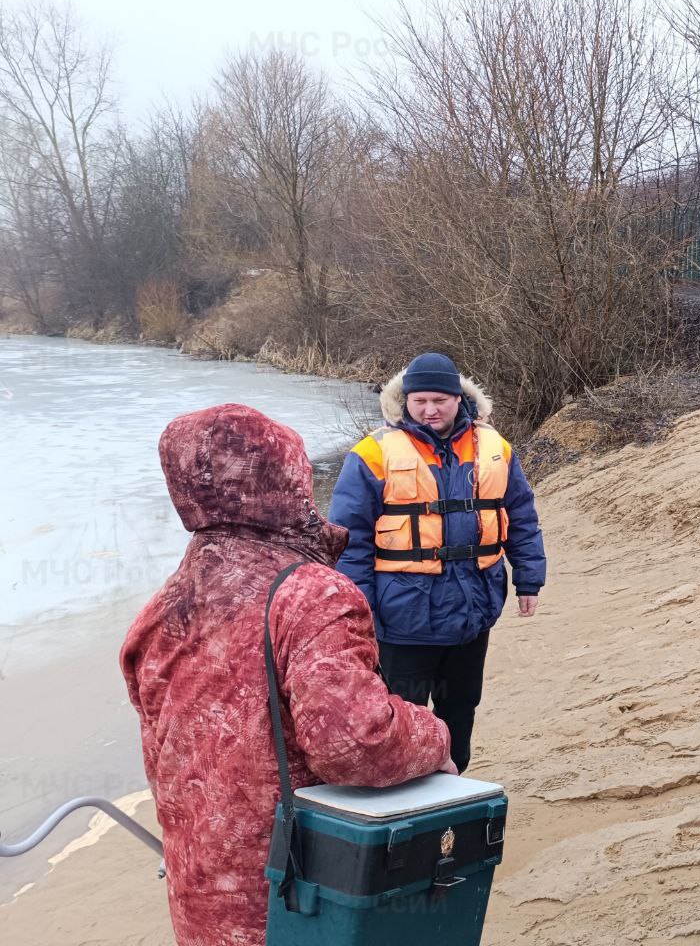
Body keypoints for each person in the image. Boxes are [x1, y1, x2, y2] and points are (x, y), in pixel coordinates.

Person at [121, 404, 455, 946]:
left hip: (200, 893)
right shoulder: (311, 595)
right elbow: (356, 743)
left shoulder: (159, 612)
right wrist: (433, 734)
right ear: (286, 480)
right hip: (297, 897)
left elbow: (166, 757)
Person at [329, 352, 546, 773]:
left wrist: (530, 580)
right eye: (419, 401)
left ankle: (454, 789)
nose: (429, 410)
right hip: (402, 619)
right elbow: (348, 541)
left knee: (461, 707)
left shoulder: (494, 447)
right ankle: (407, 802)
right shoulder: (373, 453)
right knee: (400, 718)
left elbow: (521, 515)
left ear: (458, 399)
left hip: (473, 612)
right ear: (405, 401)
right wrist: (360, 610)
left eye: (439, 400)